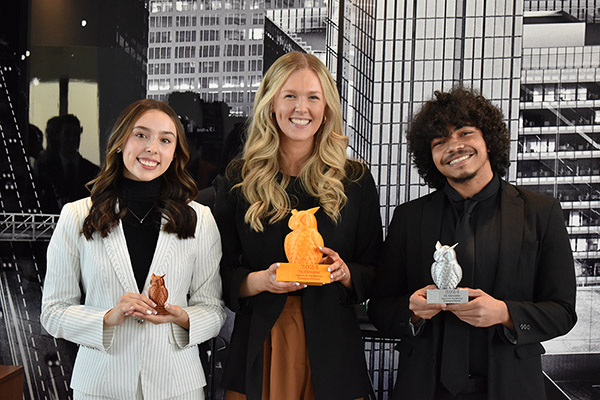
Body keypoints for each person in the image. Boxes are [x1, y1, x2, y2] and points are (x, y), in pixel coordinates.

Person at [367, 87, 577, 400]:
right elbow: (381, 308)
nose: (454, 146)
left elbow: (562, 311)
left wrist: (505, 313)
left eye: (465, 132)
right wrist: (411, 311)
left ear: (489, 141)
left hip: (512, 387)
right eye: (440, 142)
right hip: (424, 389)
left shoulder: (541, 213)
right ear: (431, 157)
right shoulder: (409, 218)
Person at [215, 52, 382, 400]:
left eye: (312, 97)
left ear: (326, 109)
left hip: (334, 352)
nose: (300, 108)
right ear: (271, 104)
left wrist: (345, 272)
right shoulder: (239, 179)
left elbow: (376, 271)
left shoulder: (356, 181)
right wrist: (261, 281)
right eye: (289, 95)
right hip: (261, 345)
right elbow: (222, 273)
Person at [40, 99, 226, 399]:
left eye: (165, 140)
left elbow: (214, 311)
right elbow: (52, 312)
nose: (152, 147)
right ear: (119, 142)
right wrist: (107, 318)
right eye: (141, 135)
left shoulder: (199, 218)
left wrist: (179, 316)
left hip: (177, 385)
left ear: (174, 152)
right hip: (100, 385)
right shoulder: (76, 216)